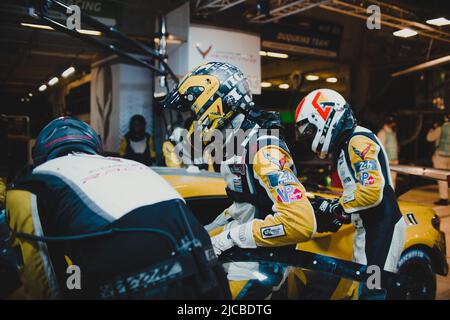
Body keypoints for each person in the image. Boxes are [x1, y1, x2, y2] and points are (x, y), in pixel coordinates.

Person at [162, 62, 342, 299]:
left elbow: (301, 223)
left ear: (213, 103)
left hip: (259, 265)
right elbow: (243, 207)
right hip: (243, 256)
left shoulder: (264, 149)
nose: (195, 119)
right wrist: (204, 235)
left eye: (195, 110)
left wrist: (228, 237)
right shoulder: (237, 143)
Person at [5, 116, 230, 299]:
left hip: (143, 287)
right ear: (93, 144)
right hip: (209, 272)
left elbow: (41, 277)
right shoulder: (134, 166)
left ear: (41, 153)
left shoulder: (32, 185)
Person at [294, 89, 407, 299]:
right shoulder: (347, 143)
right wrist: (341, 211)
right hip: (370, 227)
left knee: (371, 290)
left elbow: (372, 192)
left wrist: (338, 206)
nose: (309, 138)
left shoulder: (358, 142)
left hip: (382, 227)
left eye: (310, 130)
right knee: (360, 289)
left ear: (325, 119)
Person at [427, 114, 450, 206]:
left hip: (440, 156)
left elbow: (429, 138)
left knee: (442, 178)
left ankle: (444, 198)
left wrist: (433, 128)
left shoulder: (440, 128)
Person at [377, 116, 399, 187]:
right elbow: (381, 147)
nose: (394, 124)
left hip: (394, 159)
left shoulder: (393, 133)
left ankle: (392, 194)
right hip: (387, 160)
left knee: (393, 179)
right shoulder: (382, 132)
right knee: (386, 179)